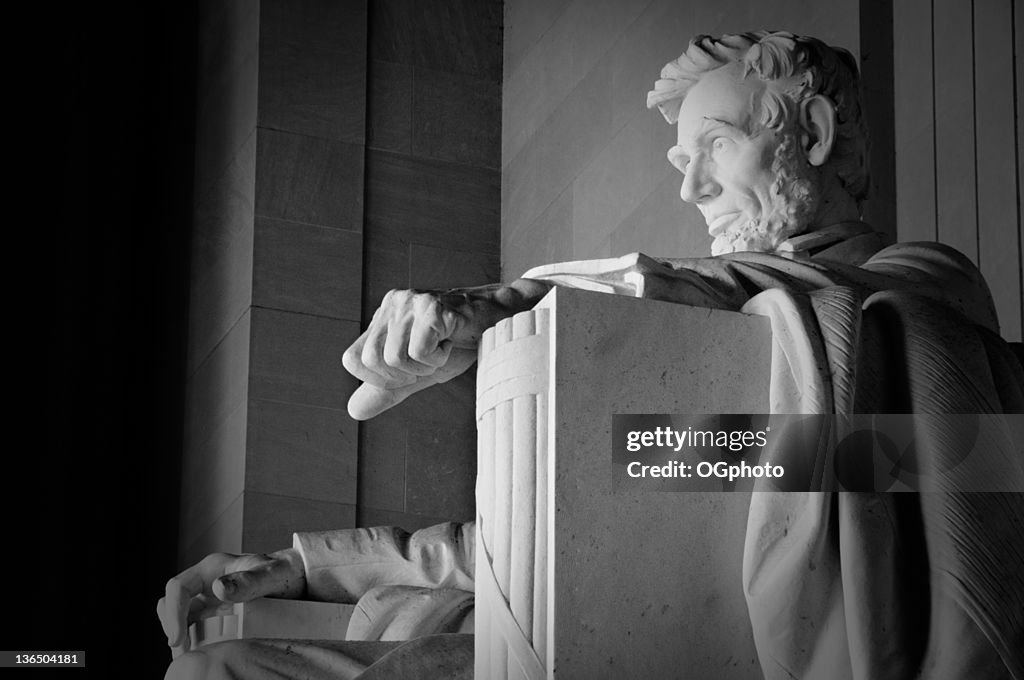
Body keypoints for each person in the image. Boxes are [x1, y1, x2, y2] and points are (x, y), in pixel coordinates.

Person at [159, 31, 1024, 680]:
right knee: (209, 670)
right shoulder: (723, 326)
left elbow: (682, 457)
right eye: (683, 160)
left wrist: (522, 304)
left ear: (819, 132)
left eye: (715, 147)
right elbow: (555, 510)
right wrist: (306, 567)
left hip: (664, 639)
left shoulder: (918, 292)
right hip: (567, 608)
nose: (690, 188)